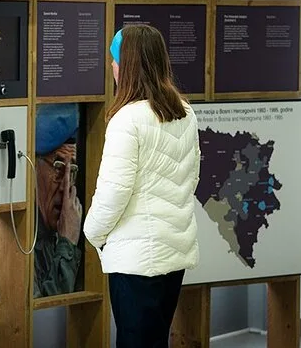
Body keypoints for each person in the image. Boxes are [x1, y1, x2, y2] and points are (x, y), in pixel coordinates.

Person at [83, 24, 201, 348]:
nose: (112, 66)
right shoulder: (184, 112)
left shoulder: (126, 119)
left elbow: (114, 192)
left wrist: (92, 233)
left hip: (136, 259)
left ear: (127, 66)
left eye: (115, 59)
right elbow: (192, 177)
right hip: (174, 253)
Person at [33, 103, 83, 298]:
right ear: (33, 167)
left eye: (72, 171)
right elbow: (47, 310)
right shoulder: (20, 240)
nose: (65, 186)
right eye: (58, 168)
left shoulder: (68, 227)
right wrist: (67, 245)